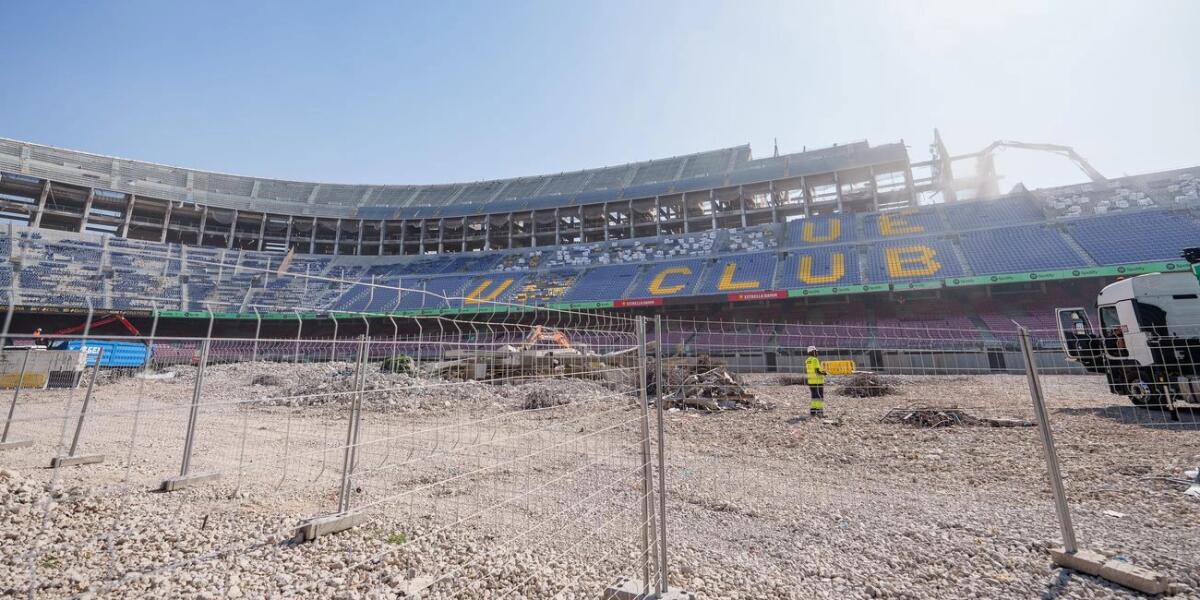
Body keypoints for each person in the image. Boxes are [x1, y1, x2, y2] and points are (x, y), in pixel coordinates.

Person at [806, 345, 827, 417]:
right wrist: (824, 373)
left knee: (814, 397)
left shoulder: (808, 360)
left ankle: (813, 412)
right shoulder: (815, 360)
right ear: (812, 352)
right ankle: (820, 412)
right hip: (817, 382)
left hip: (811, 382)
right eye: (816, 351)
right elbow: (817, 371)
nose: (817, 353)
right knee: (819, 397)